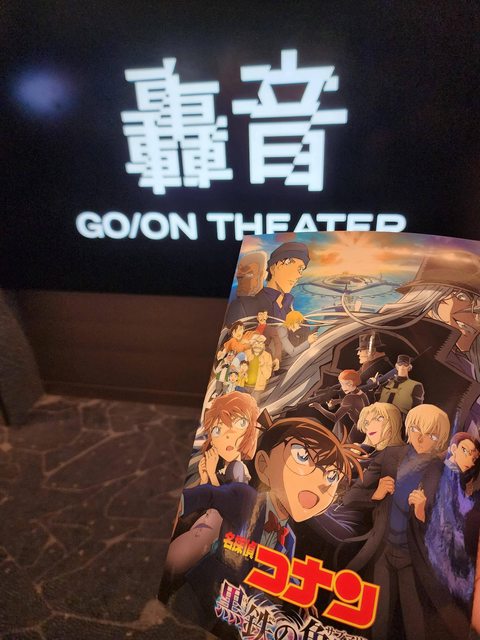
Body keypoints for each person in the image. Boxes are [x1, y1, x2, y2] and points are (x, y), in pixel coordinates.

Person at [165, 412, 363, 629]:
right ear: (263, 464)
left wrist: (300, 594)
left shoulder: (289, 537)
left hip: (234, 604)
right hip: (202, 586)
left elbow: (283, 571)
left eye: (332, 476)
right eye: (302, 456)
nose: (322, 483)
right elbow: (210, 494)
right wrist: (181, 503)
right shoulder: (246, 497)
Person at [264, 250, 480, 432]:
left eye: (479, 304)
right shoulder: (385, 339)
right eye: (463, 297)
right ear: (433, 297)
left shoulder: (464, 363)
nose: (476, 315)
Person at [342, 404, 454, 640]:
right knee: (377, 621)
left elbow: (447, 529)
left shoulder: (443, 473)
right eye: (416, 429)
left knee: (415, 624)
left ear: (440, 441)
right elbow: (350, 497)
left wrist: (423, 513)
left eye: (431, 436)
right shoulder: (390, 456)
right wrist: (376, 494)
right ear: (408, 428)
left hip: (415, 558)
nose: (421, 439)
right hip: (382, 551)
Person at [164, 393, 259, 576]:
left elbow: (229, 504)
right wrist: (206, 475)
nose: (228, 435)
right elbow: (208, 498)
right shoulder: (224, 466)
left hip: (218, 533)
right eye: (217, 430)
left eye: (240, 424)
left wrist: (211, 475)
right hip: (205, 523)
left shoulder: (238, 468)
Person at [425, 432, 480, 615]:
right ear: (454, 449)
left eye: (474, 457)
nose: (471, 460)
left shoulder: (459, 478)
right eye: (466, 452)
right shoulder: (437, 469)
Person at [224, 241, 310, 325]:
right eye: (293, 268)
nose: (299, 275)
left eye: (301, 269)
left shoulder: (295, 316)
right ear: (274, 268)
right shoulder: (242, 306)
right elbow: (230, 333)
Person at [310, 369, 369, 443]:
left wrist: (319, 407)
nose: (342, 387)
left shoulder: (349, 398)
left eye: (342, 384)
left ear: (350, 383)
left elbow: (335, 418)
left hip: (358, 431)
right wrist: (338, 401)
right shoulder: (362, 394)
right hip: (367, 426)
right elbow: (354, 402)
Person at [244, 334, 273, 401]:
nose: (258, 345)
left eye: (260, 343)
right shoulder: (246, 353)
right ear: (252, 344)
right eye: (256, 342)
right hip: (243, 386)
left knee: (254, 405)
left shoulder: (267, 356)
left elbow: (267, 375)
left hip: (257, 389)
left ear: (263, 345)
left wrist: (263, 365)